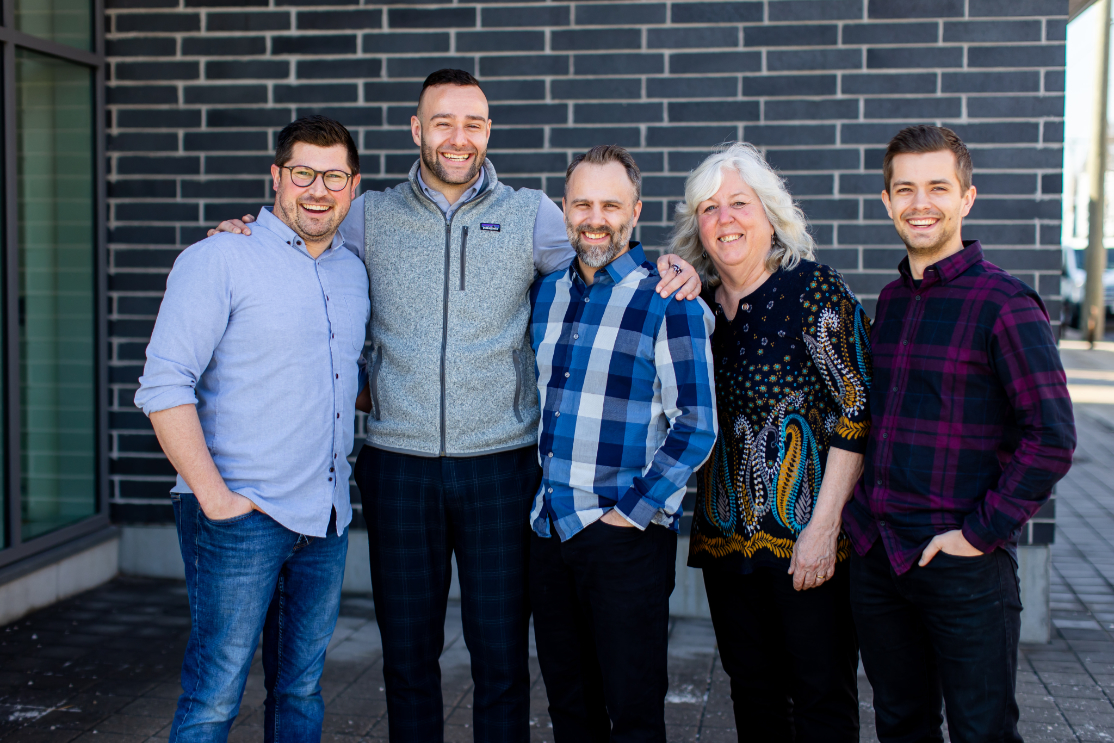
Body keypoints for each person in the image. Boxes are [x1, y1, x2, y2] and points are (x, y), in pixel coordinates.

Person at [207, 69, 702, 743]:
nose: (457, 137)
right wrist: (248, 230)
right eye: (442, 122)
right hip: (399, 466)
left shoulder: (532, 214)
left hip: (501, 468)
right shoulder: (368, 215)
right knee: (408, 656)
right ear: (417, 129)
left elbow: (604, 246)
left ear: (489, 131)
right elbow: (304, 234)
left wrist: (678, 267)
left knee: (500, 657)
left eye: (472, 123)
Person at [135, 116, 368, 742]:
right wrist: (216, 499)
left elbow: (342, 377)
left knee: (300, 690)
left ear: (353, 186)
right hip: (240, 517)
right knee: (214, 696)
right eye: (303, 173)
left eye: (334, 177)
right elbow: (163, 385)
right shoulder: (220, 258)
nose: (317, 190)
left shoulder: (353, 270)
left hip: (324, 519)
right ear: (276, 176)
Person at [842, 125, 1076, 743]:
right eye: (905, 189)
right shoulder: (891, 301)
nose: (921, 203)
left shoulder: (1006, 303)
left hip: (964, 563)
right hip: (880, 558)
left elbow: (1052, 435)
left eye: (938, 188)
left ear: (967, 198)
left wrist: (979, 534)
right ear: (887, 201)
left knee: (983, 731)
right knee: (901, 725)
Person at [672, 142, 871, 742]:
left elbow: (858, 408)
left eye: (739, 203)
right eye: (709, 208)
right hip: (724, 544)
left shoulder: (813, 289)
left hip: (808, 542)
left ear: (770, 212)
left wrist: (824, 529)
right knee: (752, 696)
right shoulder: (695, 309)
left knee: (821, 697)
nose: (724, 219)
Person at [528, 145, 718, 743]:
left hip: (625, 535)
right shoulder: (547, 293)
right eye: (582, 204)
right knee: (569, 709)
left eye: (611, 205)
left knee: (633, 716)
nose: (595, 219)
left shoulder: (669, 301)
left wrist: (631, 513)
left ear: (635, 211)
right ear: (564, 209)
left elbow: (697, 424)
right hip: (550, 530)